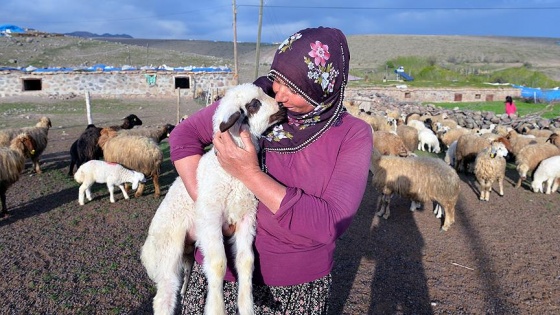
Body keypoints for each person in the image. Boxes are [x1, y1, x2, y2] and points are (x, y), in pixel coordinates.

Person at [169, 26, 373, 314]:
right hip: (221, 272)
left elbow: (330, 223)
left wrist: (250, 174)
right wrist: (209, 210)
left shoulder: (352, 135)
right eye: (279, 79)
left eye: (295, 88)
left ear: (322, 90)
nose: (279, 95)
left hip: (294, 287)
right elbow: (184, 136)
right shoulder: (255, 99)